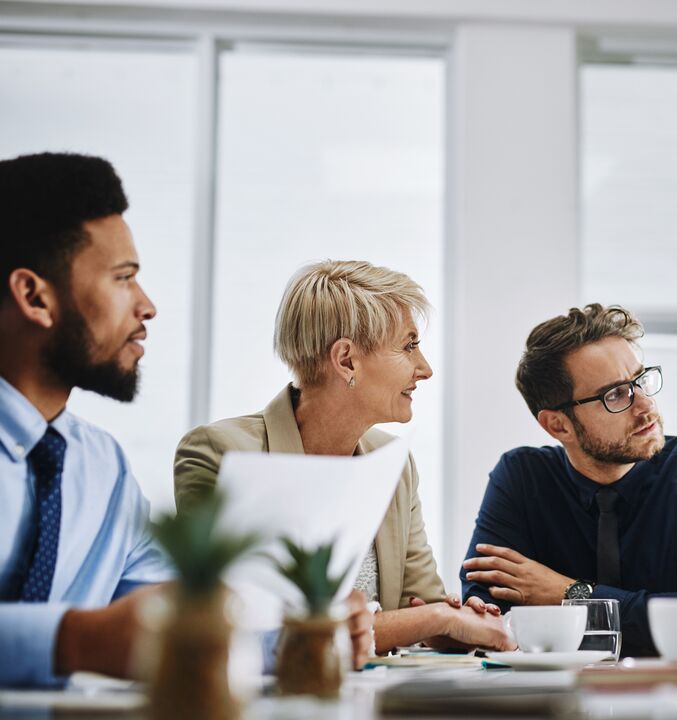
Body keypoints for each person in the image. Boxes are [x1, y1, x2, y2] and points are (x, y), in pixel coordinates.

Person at [174, 260, 512, 653]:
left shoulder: (394, 462)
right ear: (346, 359)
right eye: (409, 346)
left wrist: (454, 624)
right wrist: (433, 619)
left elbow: (422, 603)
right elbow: (243, 626)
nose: (426, 369)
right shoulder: (220, 452)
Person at [460, 303, 677, 657]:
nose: (645, 405)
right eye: (616, 394)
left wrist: (570, 594)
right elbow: (487, 617)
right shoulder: (522, 478)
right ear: (559, 425)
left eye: (641, 380)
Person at [0, 152, 168, 685]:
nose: (147, 306)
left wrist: (300, 635)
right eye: (123, 278)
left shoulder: (103, 468)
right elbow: (99, 639)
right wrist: (73, 640)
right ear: (34, 296)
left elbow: (170, 621)